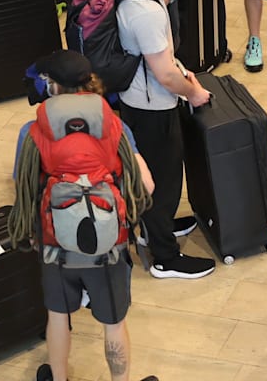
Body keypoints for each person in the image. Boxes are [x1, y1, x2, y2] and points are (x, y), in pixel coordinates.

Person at [11, 51, 158, 381]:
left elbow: (24, 191)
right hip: (109, 245)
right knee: (113, 321)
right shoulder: (113, 125)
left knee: (58, 316)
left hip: (54, 244)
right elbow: (146, 184)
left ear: (53, 86)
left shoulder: (31, 130)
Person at [109, 0, 215, 279]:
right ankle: (164, 256)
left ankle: (154, 227)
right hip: (152, 103)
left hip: (131, 96)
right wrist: (194, 91)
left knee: (150, 171)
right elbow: (165, 74)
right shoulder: (147, 11)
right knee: (164, 177)